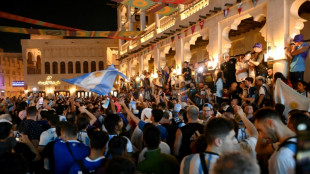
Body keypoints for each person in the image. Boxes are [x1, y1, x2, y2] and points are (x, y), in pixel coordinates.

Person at [254, 108, 297, 174]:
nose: (261, 136)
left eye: (260, 130)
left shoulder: (280, 158)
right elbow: (259, 150)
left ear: (270, 123)